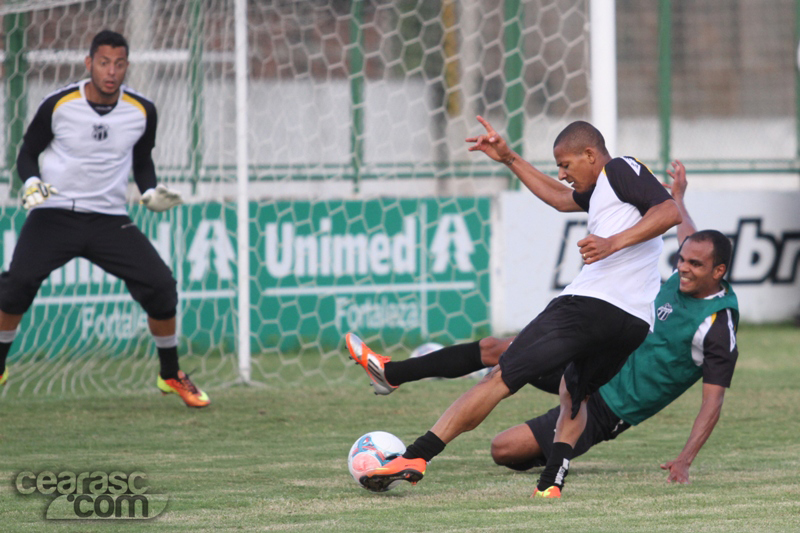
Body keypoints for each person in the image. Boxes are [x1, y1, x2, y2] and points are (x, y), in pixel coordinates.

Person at [349, 117, 682, 497]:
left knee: (499, 377)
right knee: (575, 393)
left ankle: (416, 455)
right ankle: (550, 484)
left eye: (566, 165)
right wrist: (509, 158)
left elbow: (669, 211)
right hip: (632, 323)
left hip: (591, 305)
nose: (562, 174)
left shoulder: (620, 168)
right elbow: (560, 199)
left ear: (591, 155)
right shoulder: (604, 189)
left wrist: (612, 242)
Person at [0, 30, 209, 408]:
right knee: (17, 285)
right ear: (89, 64)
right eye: (103, 63)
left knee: (162, 287)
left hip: (109, 219)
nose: (111, 71)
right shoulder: (58, 104)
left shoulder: (142, 110)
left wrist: (150, 192)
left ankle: (169, 374)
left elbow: (142, 161)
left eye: (119, 64)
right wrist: (31, 182)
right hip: (54, 214)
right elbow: (27, 153)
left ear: (127, 66)